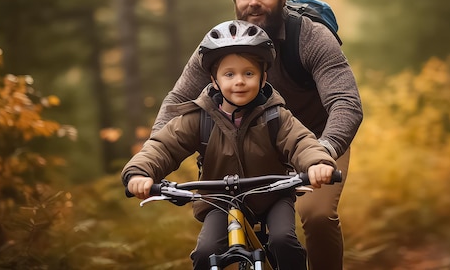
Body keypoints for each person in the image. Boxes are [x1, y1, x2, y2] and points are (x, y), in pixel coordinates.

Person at [151, 0, 363, 270]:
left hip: (313, 141)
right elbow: (178, 102)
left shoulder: (310, 38)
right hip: (251, 148)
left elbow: (345, 102)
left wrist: (323, 152)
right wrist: (151, 156)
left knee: (317, 215)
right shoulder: (221, 45)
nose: (254, 2)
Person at [122, 20, 338, 270]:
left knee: (283, 242)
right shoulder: (199, 118)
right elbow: (163, 146)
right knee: (205, 253)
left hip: (273, 196)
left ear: (263, 77)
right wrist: (140, 172)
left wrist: (317, 163)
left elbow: (301, 142)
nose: (239, 81)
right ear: (214, 80)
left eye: (249, 73)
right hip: (219, 201)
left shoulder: (275, 116)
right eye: (229, 74)